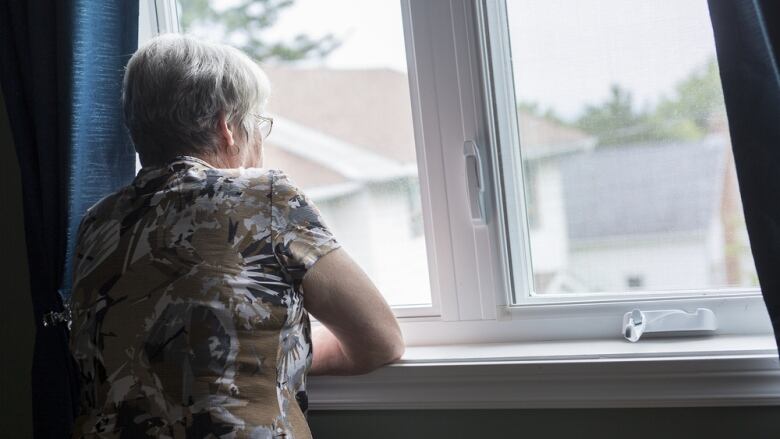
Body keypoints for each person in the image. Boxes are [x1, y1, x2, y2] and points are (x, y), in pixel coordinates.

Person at [68, 34, 404, 438]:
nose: (259, 140)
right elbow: (380, 339)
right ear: (227, 127)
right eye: (256, 123)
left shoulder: (96, 224)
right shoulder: (263, 197)